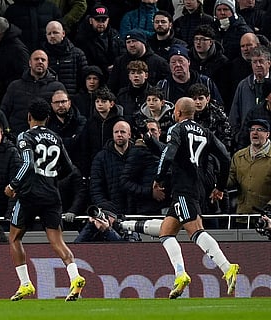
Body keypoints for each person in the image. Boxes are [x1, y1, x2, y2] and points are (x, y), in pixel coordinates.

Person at [153, 97, 240, 299]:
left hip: (183, 187)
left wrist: (159, 178)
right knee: (166, 233)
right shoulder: (205, 132)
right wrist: (219, 186)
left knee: (195, 230)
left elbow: (169, 153)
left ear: (178, 112)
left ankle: (227, 267)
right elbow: (226, 156)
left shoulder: (177, 129)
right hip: (198, 187)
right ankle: (180, 274)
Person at [4, 98, 86, 302]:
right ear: (48, 118)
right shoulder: (56, 137)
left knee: (14, 237)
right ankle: (75, 276)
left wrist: (13, 185)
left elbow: (28, 165)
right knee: (57, 241)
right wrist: (50, 177)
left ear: (29, 117)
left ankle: (25, 284)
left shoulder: (25, 136)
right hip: (51, 194)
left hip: (29, 194)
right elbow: (68, 168)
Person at [1, 49, 65, 138]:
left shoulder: (57, 87)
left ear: (47, 63)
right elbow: (4, 111)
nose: (40, 62)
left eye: (43, 60)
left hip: (47, 139)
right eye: (36, 59)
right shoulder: (15, 86)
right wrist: (9, 133)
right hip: (17, 137)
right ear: (30, 63)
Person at [228, 118, 271, 226]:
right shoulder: (239, 156)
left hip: (266, 218)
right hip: (243, 216)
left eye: (260, 129)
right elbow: (230, 180)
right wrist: (216, 181)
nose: (255, 132)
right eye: (252, 130)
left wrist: (269, 209)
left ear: (267, 134)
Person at [88, 120, 132, 215]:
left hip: (135, 209)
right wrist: (105, 205)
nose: (119, 134)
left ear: (129, 134)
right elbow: (95, 186)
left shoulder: (138, 154)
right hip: (110, 211)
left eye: (123, 132)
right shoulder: (101, 157)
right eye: (116, 132)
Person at [78, 86, 124, 177]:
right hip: (95, 164)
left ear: (111, 104)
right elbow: (85, 146)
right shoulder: (90, 122)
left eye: (103, 101)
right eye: (97, 101)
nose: (100, 104)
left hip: (115, 164)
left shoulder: (119, 121)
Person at [229, 46, 271, 145]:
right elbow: (234, 115)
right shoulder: (243, 85)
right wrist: (237, 136)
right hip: (247, 141)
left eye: (261, 61)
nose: (258, 65)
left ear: (269, 63)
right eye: (254, 62)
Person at [156, 44, 223, 105]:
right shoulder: (163, 86)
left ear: (189, 62)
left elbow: (219, 106)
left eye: (181, 61)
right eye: (173, 62)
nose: (177, 65)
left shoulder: (205, 82)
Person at [108, 29, 169, 94]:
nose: (131, 45)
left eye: (134, 41)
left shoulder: (159, 62)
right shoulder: (120, 62)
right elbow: (112, 86)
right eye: (128, 42)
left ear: (143, 42)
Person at [74, 4, 124, 81]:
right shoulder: (82, 38)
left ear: (108, 20)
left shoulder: (115, 35)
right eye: (97, 20)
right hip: (93, 78)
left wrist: (116, 66)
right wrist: (104, 69)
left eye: (103, 20)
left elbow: (122, 53)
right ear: (91, 20)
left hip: (115, 75)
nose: (101, 23)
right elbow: (84, 63)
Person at [0, 16, 30, 106]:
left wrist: (2, 85)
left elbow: (23, 72)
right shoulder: (0, 45)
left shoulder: (17, 49)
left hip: (8, 95)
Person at [42, 20, 88, 95]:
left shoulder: (77, 54)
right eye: (49, 33)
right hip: (49, 100)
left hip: (72, 99)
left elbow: (85, 79)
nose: (52, 36)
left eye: (55, 32)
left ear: (63, 33)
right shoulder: (42, 56)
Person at [47, 89, 86, 164]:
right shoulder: (47, 122)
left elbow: (79, 142)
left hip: (76, 164)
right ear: (52, 105)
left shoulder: (80, 120)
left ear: (69, 103)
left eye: (63, 101)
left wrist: (56, 140)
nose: (60, 105)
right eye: (57, 102)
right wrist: (71, 140)